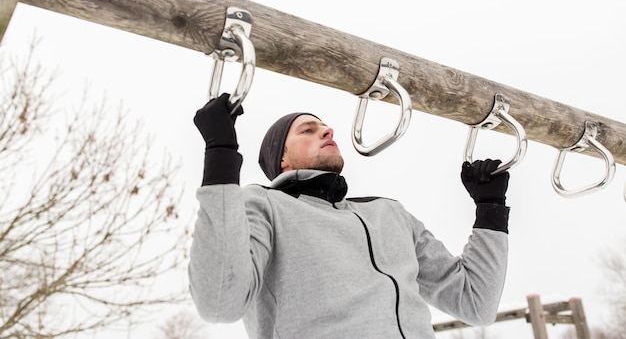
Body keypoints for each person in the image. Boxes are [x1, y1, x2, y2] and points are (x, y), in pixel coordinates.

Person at [189, 93, 511, 339]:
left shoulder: (388, 214)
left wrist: (490, 206)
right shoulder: (265, 206)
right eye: (308, 130)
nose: (327, 130)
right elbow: (220, 300)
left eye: (325, 126)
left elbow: (475, 302)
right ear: (282, 160)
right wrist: (220, 154)